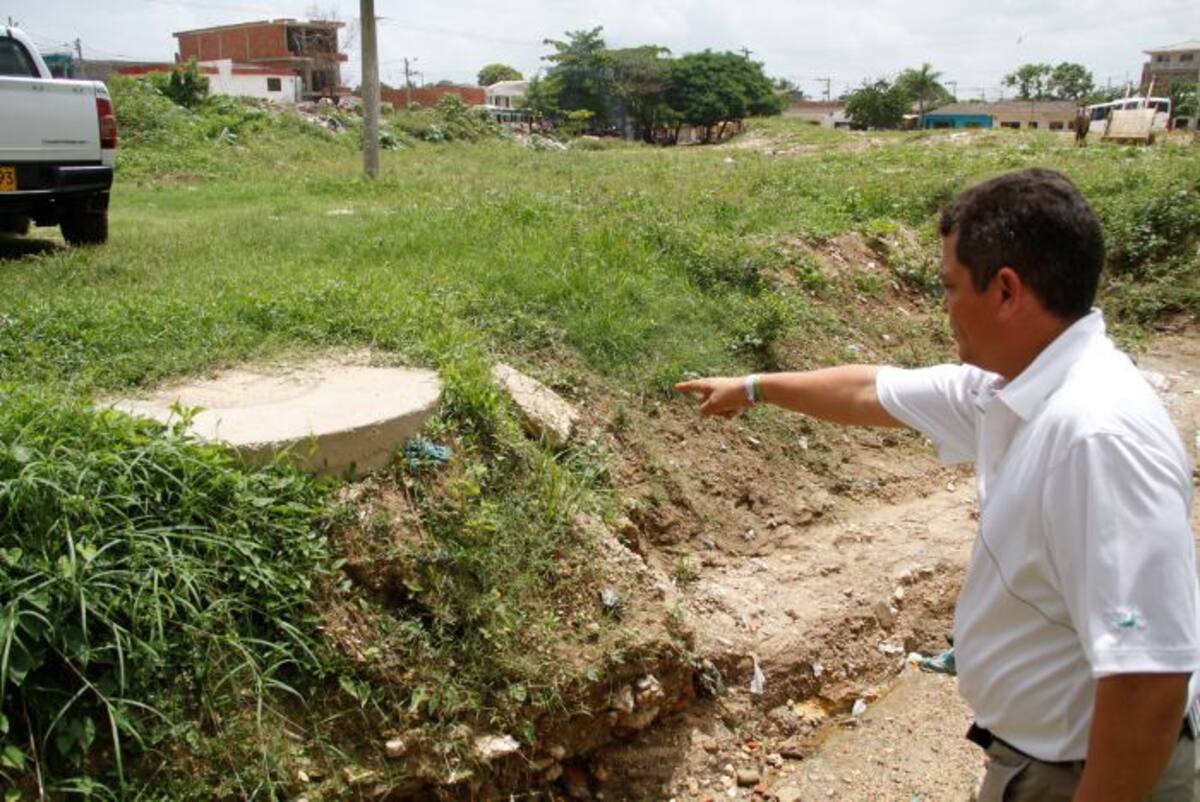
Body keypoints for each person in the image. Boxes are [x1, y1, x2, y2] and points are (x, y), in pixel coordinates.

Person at [677, 168, 1199, 802]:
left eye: (950, 287)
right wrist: (755, 388)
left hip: (1092, 777)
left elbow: (1148, 679)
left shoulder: (1098, 435)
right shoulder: (1012, 389)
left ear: (1006, 290)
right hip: (1043, 764)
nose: (944, 306)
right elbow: (872, 389)